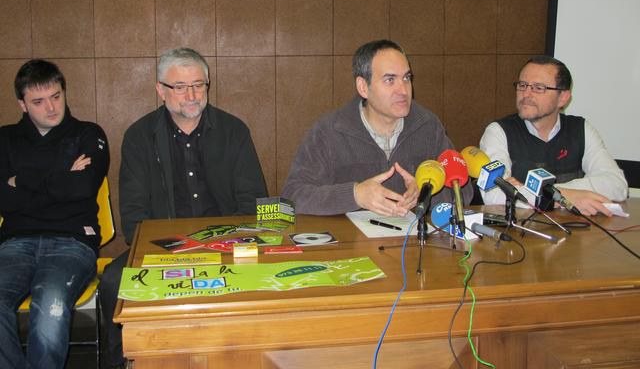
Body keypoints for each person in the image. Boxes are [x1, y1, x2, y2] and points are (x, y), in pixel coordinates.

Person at [100, 47, 267, 368]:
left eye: (198, 85)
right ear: (160, 90)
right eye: (180, 87)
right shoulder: (139, 136)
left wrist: (224, 243)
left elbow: (252, 201)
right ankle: (122, 361)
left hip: (226, 243)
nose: (191, 95)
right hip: (162, 248)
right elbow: (134, 217)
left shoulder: (234, 131)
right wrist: (176, 249)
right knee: (112, 281)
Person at [0, 60, 109, 369]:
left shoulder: (88, 134)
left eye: (56, 96)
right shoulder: (4, 139)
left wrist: (20, 180)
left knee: (51, 305)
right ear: (22, 104)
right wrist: (62, 174)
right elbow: (4, 200)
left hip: (72, 241)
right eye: (38, 101)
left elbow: (83, 187)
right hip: (14, 243)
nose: (51, 107)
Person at [282, 39, 472, 216]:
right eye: (390, 80)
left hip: (412, 237)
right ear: (363, 87)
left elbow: (463, 191)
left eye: (406, 78)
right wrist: (355, 195)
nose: (403, 90)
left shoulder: (428, 126)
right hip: (350, 240)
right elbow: (292, 197)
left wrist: (427, 192)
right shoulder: (329, 131)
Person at [479, 55, 628, 215]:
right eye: (522, 85)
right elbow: (493, 194)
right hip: (523, 229)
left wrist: (557, 193)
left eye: (538, 87)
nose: (526, 94)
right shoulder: (499, 132)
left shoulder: (580, 129)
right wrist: (563, 196)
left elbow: (617, 185)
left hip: (574, 228)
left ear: (562, 98)